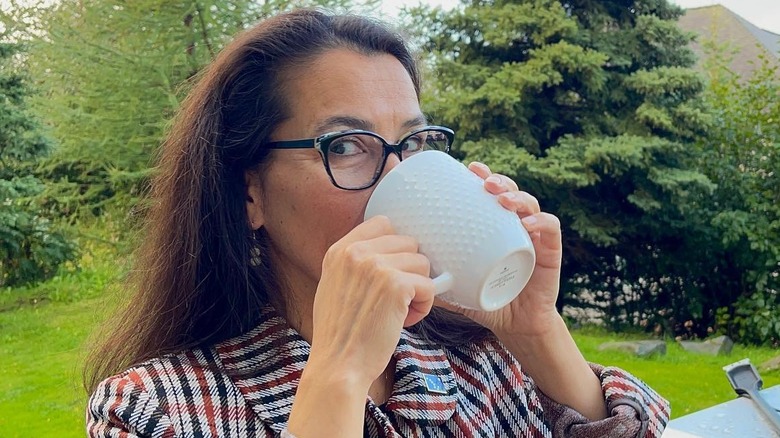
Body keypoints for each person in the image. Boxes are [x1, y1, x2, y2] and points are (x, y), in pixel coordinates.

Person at [85, 8, 670, 437]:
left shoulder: (478, 362)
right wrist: (337, 376)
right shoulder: (154, 410)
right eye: (345, 146)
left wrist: (534, 330)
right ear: (249, 193)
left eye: (411, 142)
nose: (396, 177)